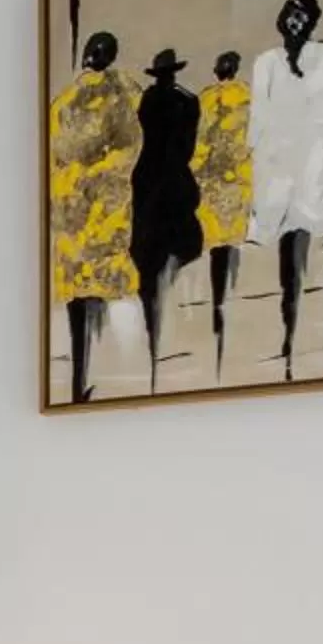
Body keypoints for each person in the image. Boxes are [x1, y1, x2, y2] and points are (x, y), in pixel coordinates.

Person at [247, 0, 323, 380]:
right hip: (277, 168)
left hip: (308, 164)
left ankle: (295, 334)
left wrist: (317, 151)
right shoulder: (266, 62)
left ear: (310, 23)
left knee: (300, 245)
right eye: (290, 16)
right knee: (285, 251)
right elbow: (258, 117)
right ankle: (287, 328)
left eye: (302, 17)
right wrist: (265, 156)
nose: (295, 23)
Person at [49, 31, 140, 403]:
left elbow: (55, 151)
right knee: (98, 290)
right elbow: (128, 146)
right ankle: (86, 375)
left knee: (81, 291)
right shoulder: (118, 94)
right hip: (96, 203)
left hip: (73, 202)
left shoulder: (65, 101)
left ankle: (80, 377)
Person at [127, 48, 204, 391]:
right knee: (173, 248)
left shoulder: (146, 100)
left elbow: (142, 140)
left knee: (148, 254)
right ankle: (161, 322)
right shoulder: (188, 101)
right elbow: (188, 146)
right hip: (173, 178)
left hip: (150, 178)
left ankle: (152, 327)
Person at [192, 50, 251, 368]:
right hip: (237, 177)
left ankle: (218, 301)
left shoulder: (206, 98)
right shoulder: (246, 96)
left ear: (217, 70)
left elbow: (200, 142)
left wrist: (196, 171)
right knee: (231, 240)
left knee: (216, 241)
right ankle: (226, 296)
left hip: (214, 178)